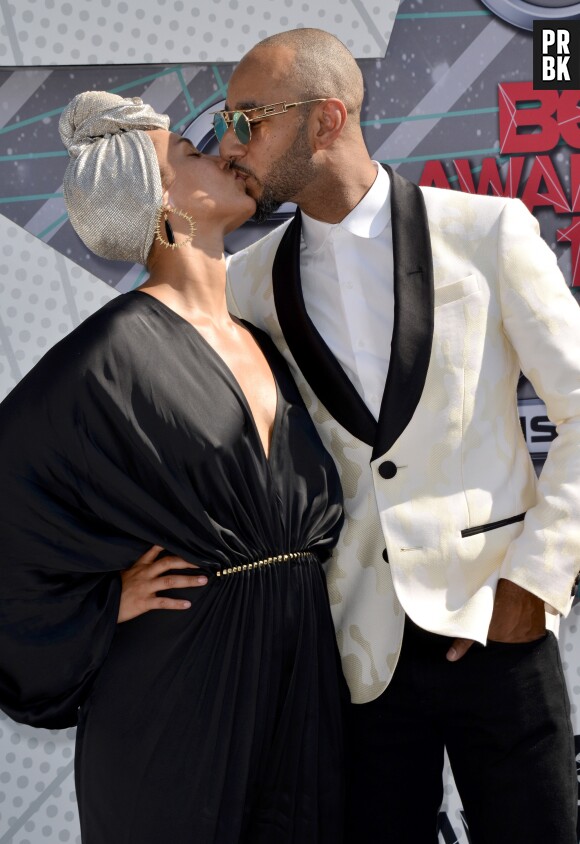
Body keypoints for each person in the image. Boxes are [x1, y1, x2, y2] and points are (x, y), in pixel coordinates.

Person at [219, 27, 580, 844]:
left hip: (497, 621)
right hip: (357, 650)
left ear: (326, 120)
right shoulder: (246, 285)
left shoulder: (486, 231)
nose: (229, 142)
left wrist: (537, 581)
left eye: (251, 119)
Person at [0, 91, 347, 844]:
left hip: (299, 697)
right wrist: (98, 605)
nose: (224, 152)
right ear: (161, 205)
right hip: (174, 705)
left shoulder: (267, 343)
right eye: (190, 154)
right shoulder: (108, 357)